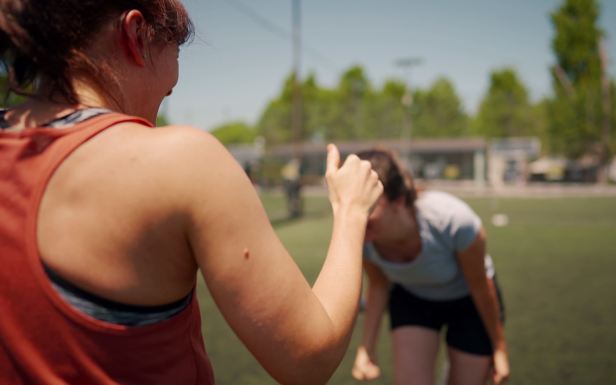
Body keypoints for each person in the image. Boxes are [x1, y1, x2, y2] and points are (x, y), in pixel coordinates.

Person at [0, 1, 383, 384]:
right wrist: (351, 208)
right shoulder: (182, 161)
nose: (152, 118)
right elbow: (307, 360)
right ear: (136, 34)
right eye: (168, 92)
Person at [350, 148, 510, 385]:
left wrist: (499, 349)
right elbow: (378, 286)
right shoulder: (359, 234)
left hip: (469, 302)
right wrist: (366, 348)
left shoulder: (453, 221)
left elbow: (479, 286)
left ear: (399, 200)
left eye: (368, 203)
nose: (357, 215)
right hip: (412, 298)